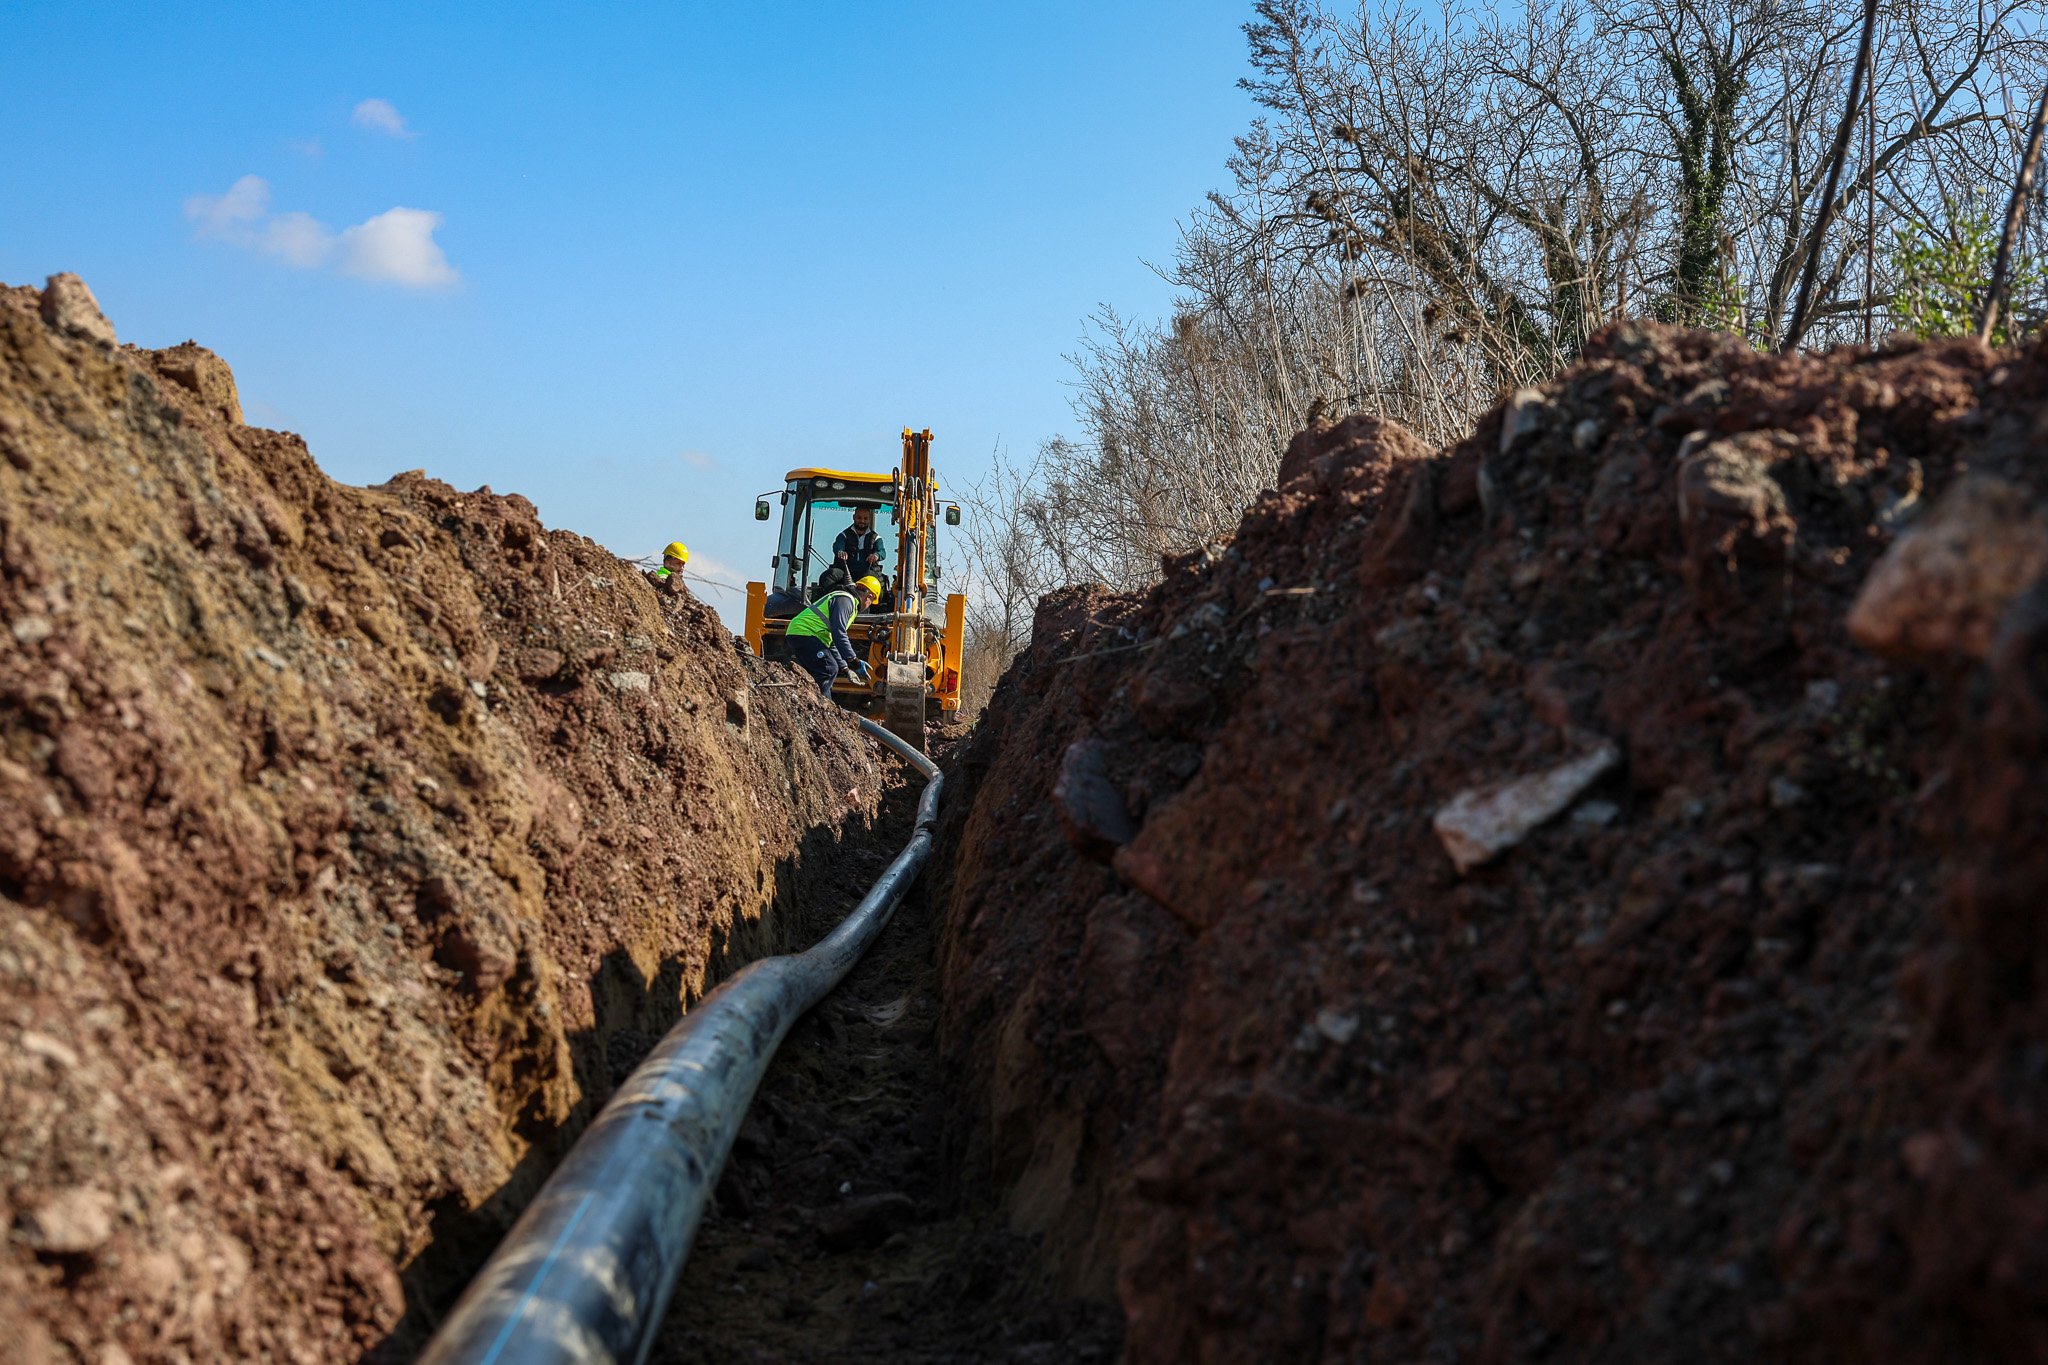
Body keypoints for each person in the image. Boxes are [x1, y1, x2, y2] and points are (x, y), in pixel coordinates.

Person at [786, 575, 880, 697]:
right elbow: (839, 634)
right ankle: (823, 708)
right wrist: (854, 661)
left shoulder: (846, 600)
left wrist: (845, 668)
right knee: (828, 669)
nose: (869, 604)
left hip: (805, 634)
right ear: (870, 597)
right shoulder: (846, 601)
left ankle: (820, 704)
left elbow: (833, 642)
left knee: (825, 670)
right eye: (872, 601)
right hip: (804, 632)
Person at [833, 507, 885, 576]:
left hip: (868, 573)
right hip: (845, 572)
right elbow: (837, 546)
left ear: (869, 519)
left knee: (874, 579)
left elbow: (882, 552)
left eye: (865, 518)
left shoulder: (876, 538)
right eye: (859, 517)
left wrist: (876, 555)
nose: (862, 521)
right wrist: (840, 552)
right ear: (854, 517)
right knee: (829, 575)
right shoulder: (844, 535)